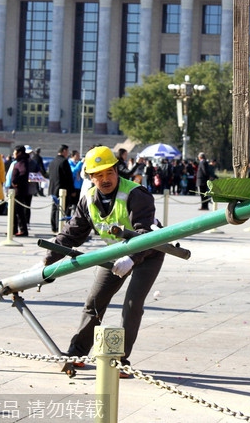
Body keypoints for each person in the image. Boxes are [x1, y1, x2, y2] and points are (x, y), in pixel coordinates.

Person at [44, 146, 165, 377]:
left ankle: (120, 360)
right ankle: (77, 353)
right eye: (98, 175)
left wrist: (131, 257)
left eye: (109, 173)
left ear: (117, 171)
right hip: (115, 254)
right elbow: (72, 233)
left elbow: (144, 233)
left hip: (148, 252)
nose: (105, 179)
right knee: (94, 302)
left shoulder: (137, 194)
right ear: (90, 177)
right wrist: (50, 258)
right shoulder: (88, 199)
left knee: (132, 306)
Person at [48, 144, 76, 232]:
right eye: (67, 151)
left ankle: (53, 226)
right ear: (64, 151)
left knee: (54, 208)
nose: (68, 153)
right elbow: (68, 177)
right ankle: (58, 226)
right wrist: (72, 190)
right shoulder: (64, 162)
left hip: (53, 189)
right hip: (62, 190)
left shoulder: (53, 162)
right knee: (61, 209)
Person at [9, 145, 32, 237]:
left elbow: (23, 173)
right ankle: (13, 229)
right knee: (14, 211)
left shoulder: (22, 162)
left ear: (19, 153)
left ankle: (23, 230)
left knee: (19, 211)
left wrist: (15, 181)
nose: (13, 154)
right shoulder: (19, 162)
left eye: (15, 153)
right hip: (16, 191)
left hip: (19, 190)